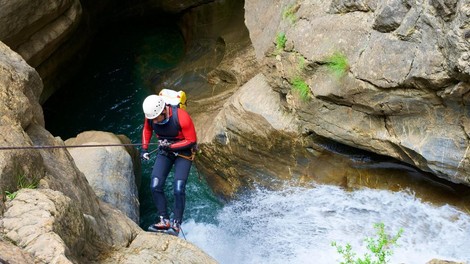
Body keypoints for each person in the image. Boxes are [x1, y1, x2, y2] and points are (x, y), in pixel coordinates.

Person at [140, 94, 197, 236]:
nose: (153, 120)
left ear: (163, 111)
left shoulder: (181, 117)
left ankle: (176, 224)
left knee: (178, 188)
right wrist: (144, 149)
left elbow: (191, 140)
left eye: (156, 118)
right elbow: (147, 130)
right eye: (152, 118)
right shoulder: (151, 115)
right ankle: (164, 220)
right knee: (155, 185)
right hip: (165, 150)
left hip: (183, 152)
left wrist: (171, 147)